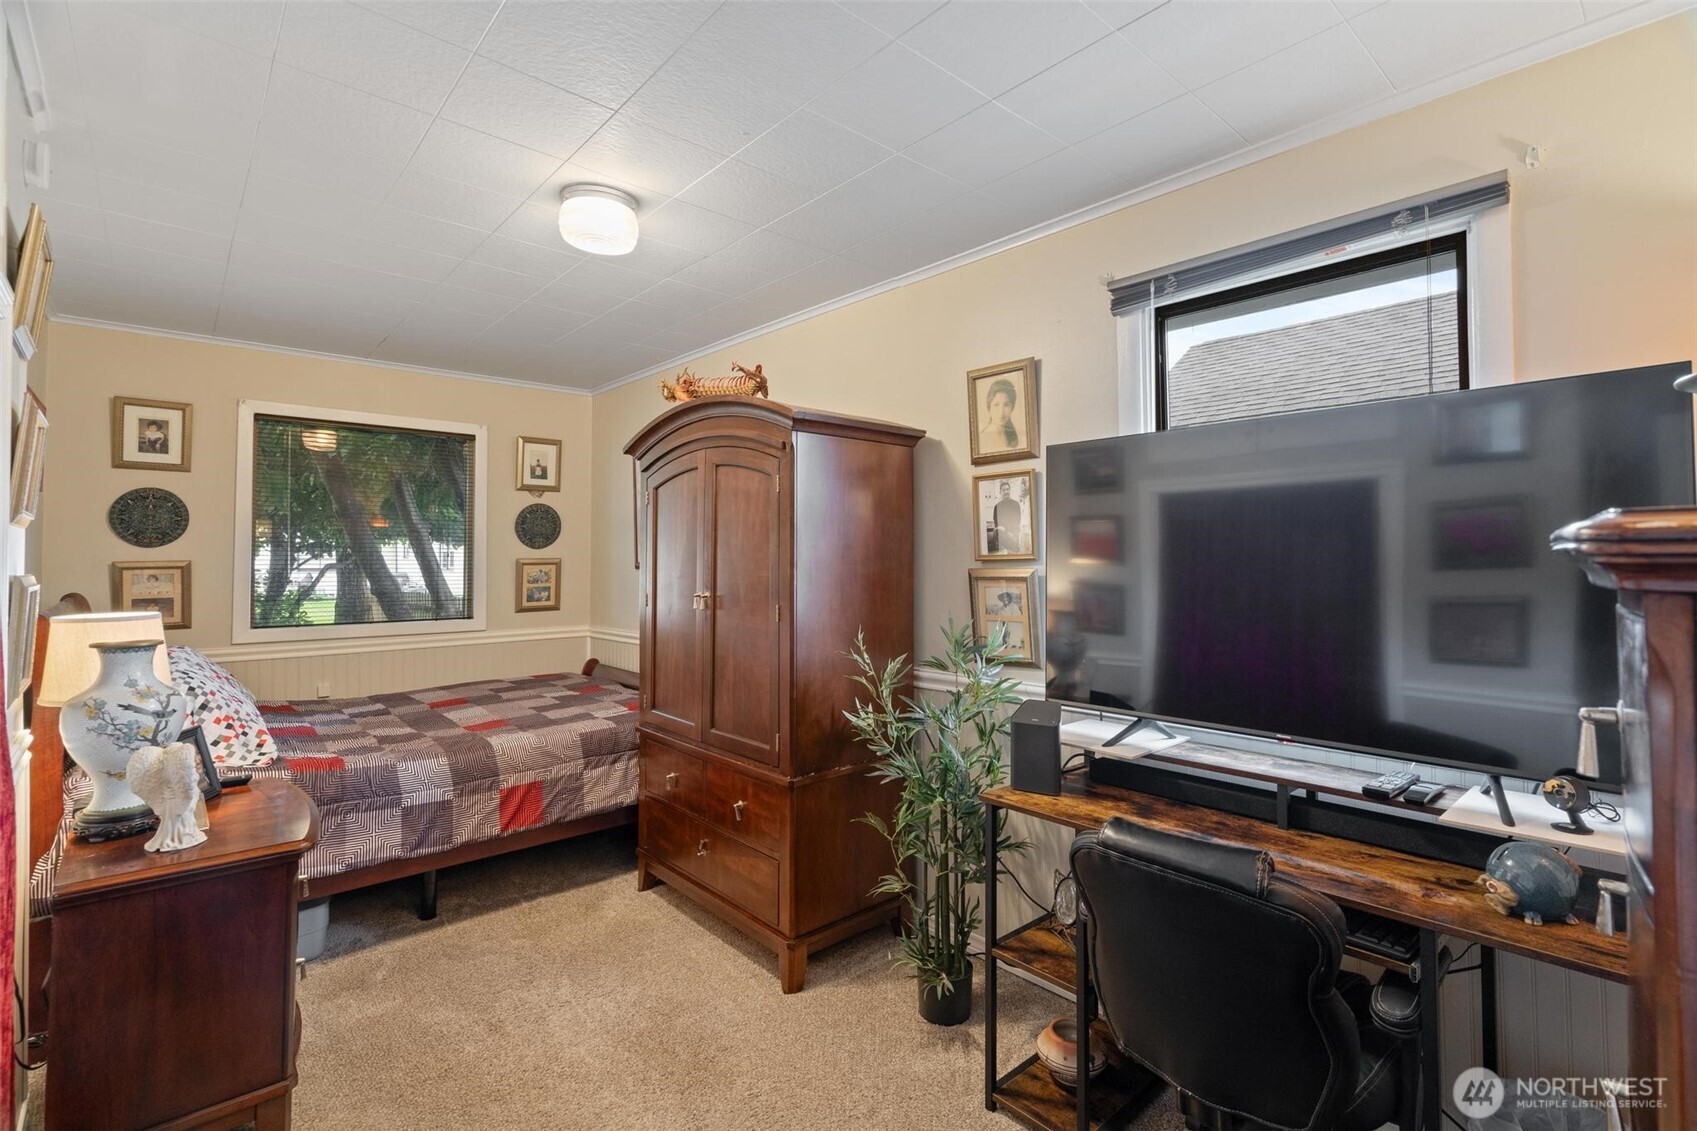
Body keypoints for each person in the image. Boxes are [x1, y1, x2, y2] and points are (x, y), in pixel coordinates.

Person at [978, 377, 1021, 454]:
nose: (1001, 412)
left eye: (1006, 405)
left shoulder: (1016, 440)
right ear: (989, 407)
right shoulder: (981, 440)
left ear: (1012, 407)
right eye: (996, 405)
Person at [991, 479, 1024, 554]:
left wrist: (1016, 537)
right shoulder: (997, 507)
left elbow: (1018, 521)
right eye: (1004, 490)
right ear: (1000, 492)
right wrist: (1006, 533)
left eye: (1008, 489)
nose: (1006, 491)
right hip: (1003, 541)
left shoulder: (1016, 504)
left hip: (1014, 539)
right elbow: (997, 525)